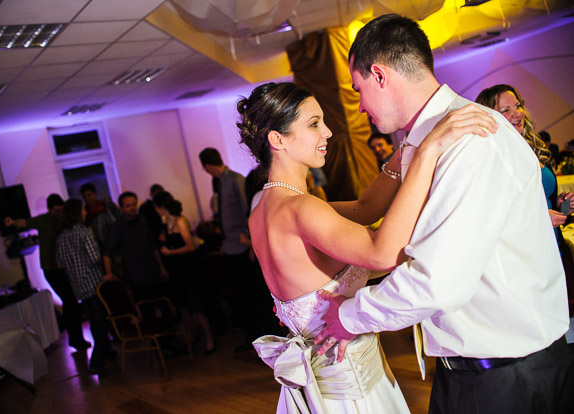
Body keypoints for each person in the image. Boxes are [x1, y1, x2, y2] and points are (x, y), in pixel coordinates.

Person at [315, 14, 574, 414]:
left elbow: (439, 281)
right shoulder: (425, 142)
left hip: (508, 375)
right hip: (473, 368)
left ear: (380, 75)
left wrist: (350, 317)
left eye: (358, 90)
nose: (361, 106)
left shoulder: (472, 139)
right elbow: (397, 232)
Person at [239, 81, 493, 412]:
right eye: (314, 124)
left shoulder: (264, 211)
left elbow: (364, 209)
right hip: (351, 386)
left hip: (328, 378)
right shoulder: (301, 208)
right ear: (278, 139)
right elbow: (383, 254)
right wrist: (427, 153)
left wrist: (406, 150)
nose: (328, 132)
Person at [476, 84, 574, 319]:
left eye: (517, 106)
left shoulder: (528, 145)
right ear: (489, 116)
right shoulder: (488, 155)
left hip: (554, 247)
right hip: (526, 257)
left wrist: (559, 203)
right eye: (506, 110)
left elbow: (540, 196)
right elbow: (489, 213)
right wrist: (538, 217)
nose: (517, 113)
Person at [199, 147, 266, 352]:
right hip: (230, 246)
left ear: (206, 166)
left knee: (250, 294)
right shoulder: (220, 182)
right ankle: (250, 335)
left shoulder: (235, 179)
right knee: (240, 295)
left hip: (242, 246)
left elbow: (249, 211)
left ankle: (259, 335)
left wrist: (250, 241)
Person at [4, 193, 89, 351]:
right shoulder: (43, 220)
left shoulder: (64, 220)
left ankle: (76, 339)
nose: (58, 213)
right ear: (49, 209)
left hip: (65, 268)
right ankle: (76, 339)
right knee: (70, 301)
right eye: (56, 210)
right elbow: (25, 222)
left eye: (60, 210)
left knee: (71, 302)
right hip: (52, 270)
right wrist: (13, 222)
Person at [56, 199, 114, 377]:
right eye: (82, 210)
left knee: (96, 322)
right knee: (100, 324)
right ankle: (96, 362)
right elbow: (95, 257)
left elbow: (60, 263)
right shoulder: (85, 233)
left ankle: (107, 352)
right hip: (94, 284)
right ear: (76, 213)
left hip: (78, 287)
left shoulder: (61, 237)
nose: (85, 212)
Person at [153, 191, 215, 354]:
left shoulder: (180, 220)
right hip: (176, 270)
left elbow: (190, 247)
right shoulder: (167, 222)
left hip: (188, 269)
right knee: (184, 307)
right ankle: (191, 340)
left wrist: (170, 252)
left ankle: (209, 339)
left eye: (156, 207)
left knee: (196, 306)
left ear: (161, 207)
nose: (155, 210)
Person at [103, 191, 169, 306]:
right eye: (128, 206)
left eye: (134, 204)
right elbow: (107, 252)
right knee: (146, 308)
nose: (132, 208)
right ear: (121, 208)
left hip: (153, 272)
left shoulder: (142, 220)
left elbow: (152, 246)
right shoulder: (117, 227)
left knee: (163, 304)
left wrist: (161, 267)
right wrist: (109, 273)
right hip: (136, 277)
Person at [79, 183, 120, 252]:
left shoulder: (106, 205)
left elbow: (119, 219)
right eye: (84, 197)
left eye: (89, 195)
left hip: (113, 242)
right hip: (98, 246)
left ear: (95, 194)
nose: (87, 198)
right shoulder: (85, 212)